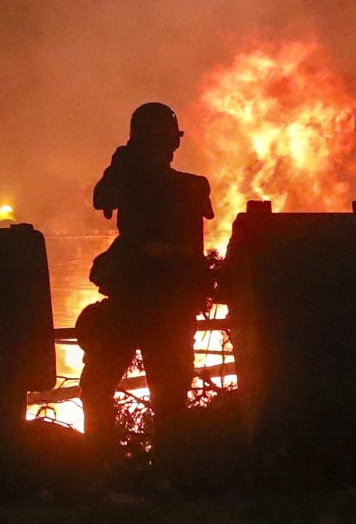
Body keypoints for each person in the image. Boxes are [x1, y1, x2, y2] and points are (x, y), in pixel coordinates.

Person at [77, 102, 214, 480]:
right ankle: (161, 475)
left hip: (143, 302)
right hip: (160, 305)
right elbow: (104, 197)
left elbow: (104, 197)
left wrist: (123, 162)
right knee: (166, 397)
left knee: (110, 388)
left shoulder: (156, 182)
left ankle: (107, 469)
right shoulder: (187, 186)